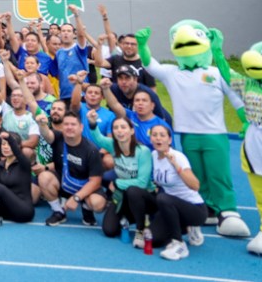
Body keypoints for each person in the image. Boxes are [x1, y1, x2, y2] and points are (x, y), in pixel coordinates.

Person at [124, 125, 207, 261]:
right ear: (151, 139)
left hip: (194, 209)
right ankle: (183, 227)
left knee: (163, 198)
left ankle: (179, 244)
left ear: (169, 140)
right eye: (155, 135)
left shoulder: (178, 157)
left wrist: (176, 166)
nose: (158, 138)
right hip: (170, 207)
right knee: (152, 239)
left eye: (162, 135)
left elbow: (195, 186)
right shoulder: (153, 156)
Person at [86, 111, 153, 240]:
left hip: (144, 196)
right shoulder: (113, 145)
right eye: (116, 128)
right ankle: (128, 217)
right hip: (122, 194)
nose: (119, 131)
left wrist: (117, 183)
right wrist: (92, 123)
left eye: (123, 127)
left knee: (133, 191)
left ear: (132, 131)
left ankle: (141, 228)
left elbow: (142, 182)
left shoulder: (143, 151)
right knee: (109, 230)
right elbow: (98, 138)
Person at [37, 111, 107, 226]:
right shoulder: (58, 137)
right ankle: (59, 211)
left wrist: (76, 198)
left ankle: (86, 208)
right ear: (62, 127)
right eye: (66, 124)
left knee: (98, 203)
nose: (69, 127)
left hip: (85, 187)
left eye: (73, 124)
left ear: (81, 127)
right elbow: (46, 134)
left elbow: (95, 182)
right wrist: (42, 124)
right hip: (64, 183)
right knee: (44, 177)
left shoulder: (91, 150)